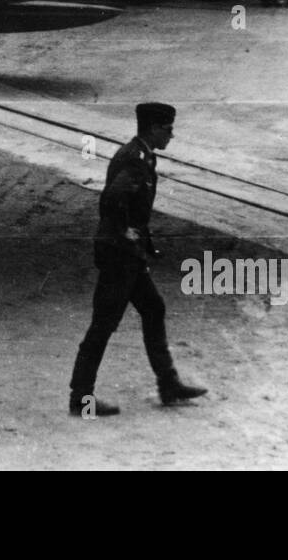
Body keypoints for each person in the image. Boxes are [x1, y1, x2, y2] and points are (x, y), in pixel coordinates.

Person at [69, 102, 207, 417]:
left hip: (127, 254)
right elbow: (113, 199)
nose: (172, 135)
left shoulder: (141, 154)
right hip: (119, 255)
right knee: (103, 324)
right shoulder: (134, 159)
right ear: (154, 128)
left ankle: (168, 383)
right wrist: (126, 233)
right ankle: (81, 397)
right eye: (168, 129)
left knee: (153, 308)